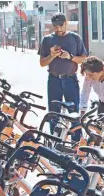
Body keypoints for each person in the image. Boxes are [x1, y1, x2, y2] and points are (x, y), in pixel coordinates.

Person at [38, 12, 87, 141]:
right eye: (55, 26)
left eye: (61, 25)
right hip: (54, 80)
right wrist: (52, 56)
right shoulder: (47, 40)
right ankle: (55, 143)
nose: (58, 29)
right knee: (54, 113)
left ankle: (77, 144)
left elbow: (84, 59)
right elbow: (42, 63)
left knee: (74, 113)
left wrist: (70, 57)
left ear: (66, 23)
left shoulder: (75, 38)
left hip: (70, 79)